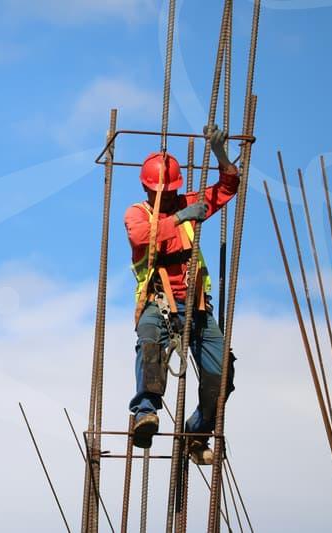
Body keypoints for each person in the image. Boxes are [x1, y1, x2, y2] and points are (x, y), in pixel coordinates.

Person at [123, 125, 238, 465]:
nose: (169, 196)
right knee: (149, 341)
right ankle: (146, 411)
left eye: (172, 191)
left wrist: (220, 156)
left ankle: (195, 433)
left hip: (197, 307)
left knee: (221, 381)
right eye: (163, 192)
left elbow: (227, 188)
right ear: (147, 187)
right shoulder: (137, 214)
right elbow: (142, 238)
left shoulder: (187, 204)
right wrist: (179, 217)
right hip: (158, 303)